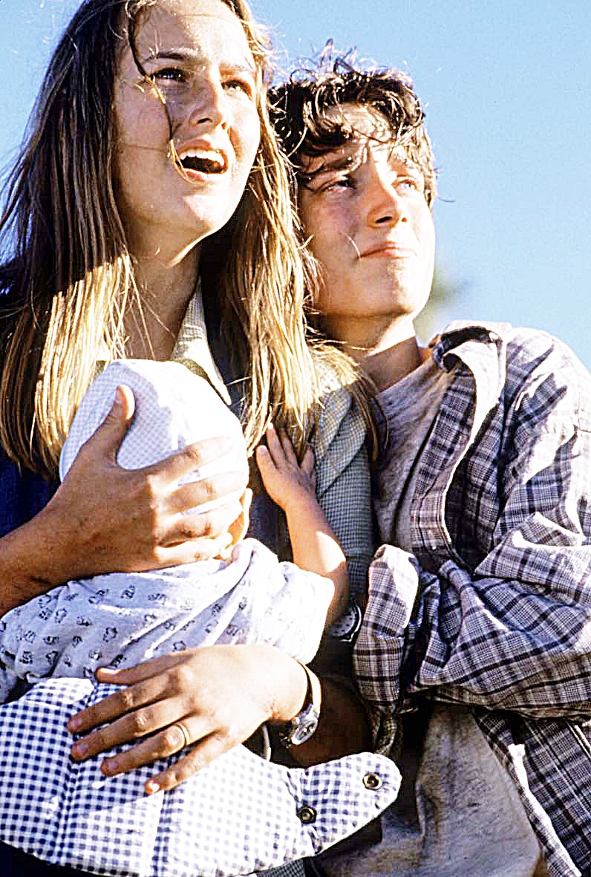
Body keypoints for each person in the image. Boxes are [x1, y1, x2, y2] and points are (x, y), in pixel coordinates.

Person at [0, 2, 378, 875]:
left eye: (238, 85)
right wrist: (46, 553)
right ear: (86, 112)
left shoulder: (313, 400)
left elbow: (370, 733)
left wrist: (273, 684)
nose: (213, 107)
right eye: (170, 74)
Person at [269, 54, 591, 877]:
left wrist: (350, 600)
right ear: (277, 233)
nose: (390, 205)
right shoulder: (263, 441)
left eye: (407, 180)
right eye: (339, 182)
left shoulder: (517, 378)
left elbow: (572, 629)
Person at [0, 359, 400, 876]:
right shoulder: (246, 589)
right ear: (238, 521)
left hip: (60, 820)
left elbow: (8, 660)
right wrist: (298, 499)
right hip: (207, 831)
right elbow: (329, 593)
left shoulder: (60, 605)